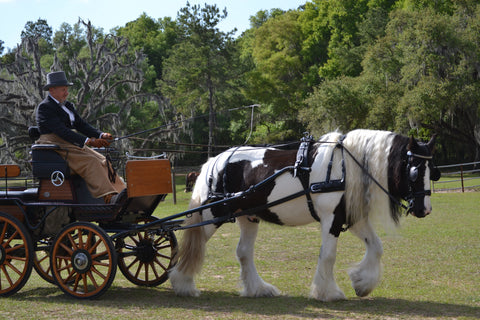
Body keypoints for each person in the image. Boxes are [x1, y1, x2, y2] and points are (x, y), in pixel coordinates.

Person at [35, 71, 127, 204]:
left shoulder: (68, 105)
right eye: (63, 90)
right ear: (52, 90)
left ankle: (121, 191)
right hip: (52, 143)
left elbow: (81, 125)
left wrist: (100, 135)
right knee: (91, 162)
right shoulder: (45, 107)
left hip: (67, 141)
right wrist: (88, 141)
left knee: (103, 160)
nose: (66, 93)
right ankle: (107, 195)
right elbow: (61, 131)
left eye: (66, 89)